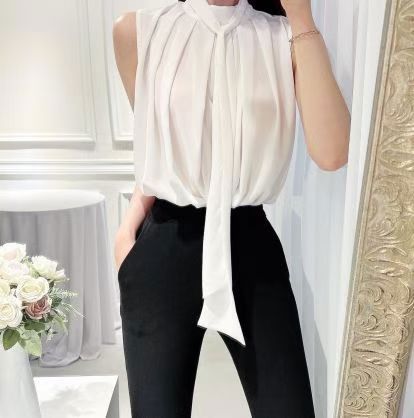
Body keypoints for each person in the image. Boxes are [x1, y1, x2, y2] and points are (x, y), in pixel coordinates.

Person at [113, 0, 350, 416]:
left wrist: (301, 17)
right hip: (164, 241)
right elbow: (159, 149)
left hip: (250, 243)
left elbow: (332, 152)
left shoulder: (283, 37)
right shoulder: (139, 31)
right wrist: (128, 230)